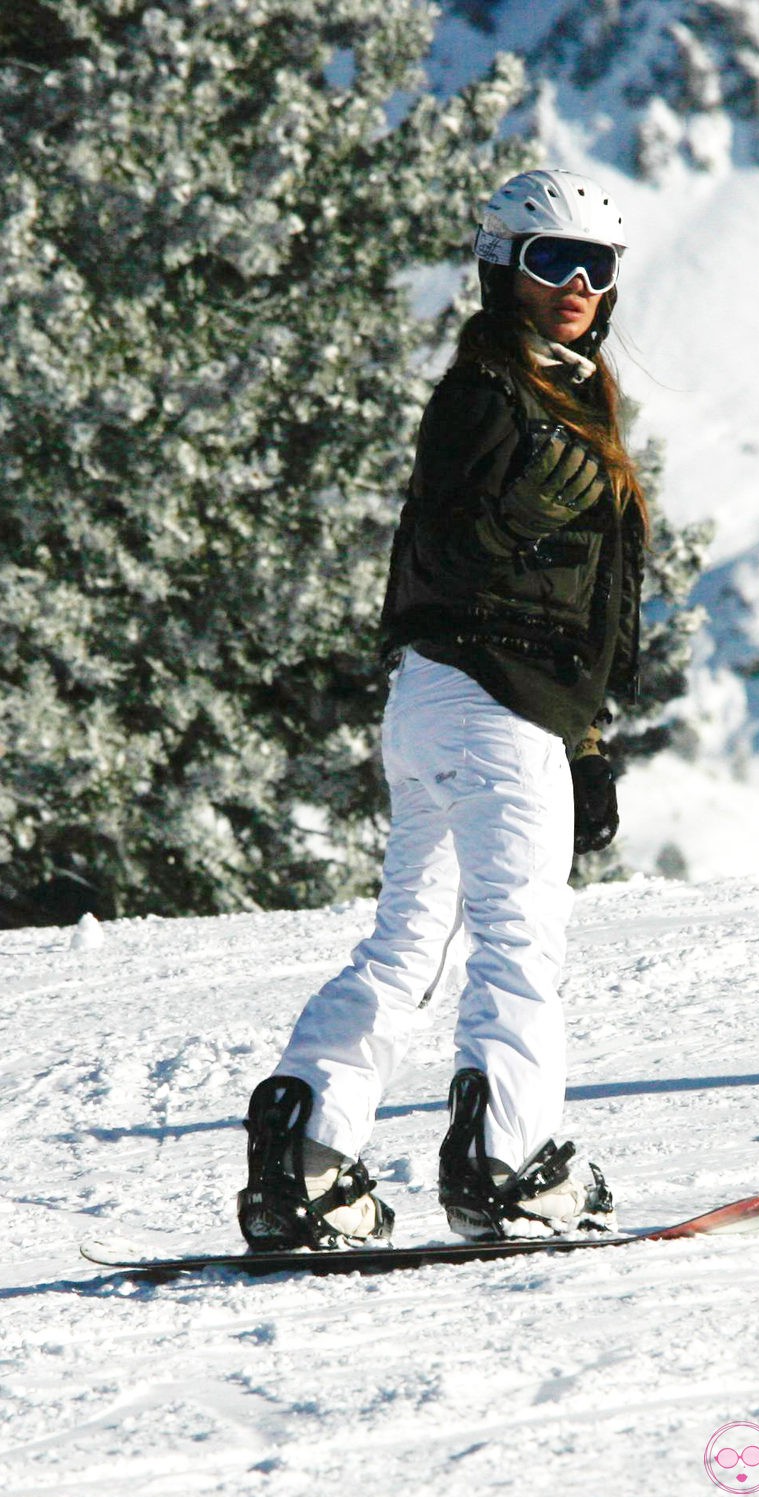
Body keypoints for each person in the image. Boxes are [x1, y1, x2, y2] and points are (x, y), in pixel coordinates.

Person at [237, 167, 649, 1251]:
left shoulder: (562, 398)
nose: (572, 283)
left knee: (410, 941)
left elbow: (577, 603)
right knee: (519, 942)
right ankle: (505, 1163)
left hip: (442, 701)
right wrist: (552, 513)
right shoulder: (488, 392)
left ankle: (307, 1157)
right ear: (499, 269)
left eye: (594, 266)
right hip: (492, 703)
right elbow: (472, 543)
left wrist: (590, 740)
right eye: (547, 259)